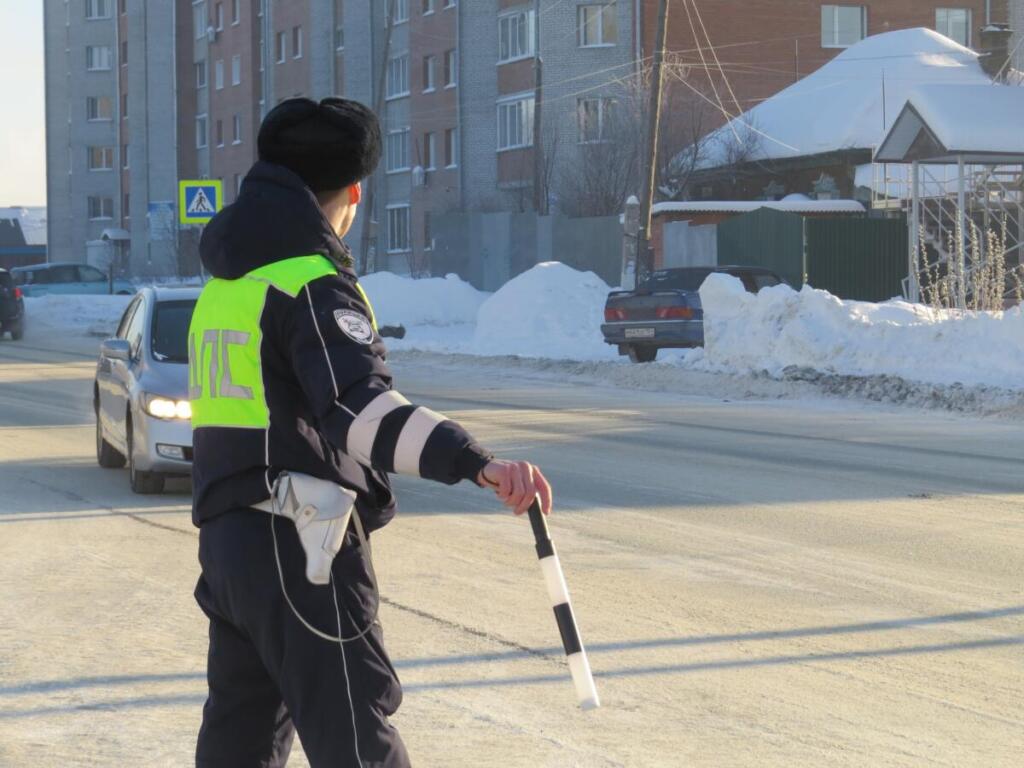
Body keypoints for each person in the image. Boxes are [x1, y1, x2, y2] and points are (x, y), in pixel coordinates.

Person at [188, 97, 553, 768]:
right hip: (303, 544)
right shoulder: (310, 282)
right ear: (354, 192)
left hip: (229, 543)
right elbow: (363, 415)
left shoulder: (226, 285)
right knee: (356, 738)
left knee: (239, 739)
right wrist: (476, 463)